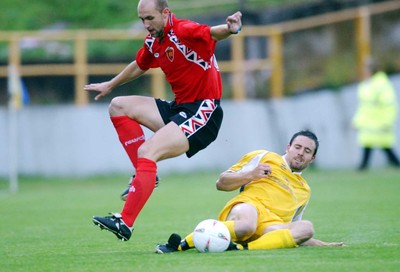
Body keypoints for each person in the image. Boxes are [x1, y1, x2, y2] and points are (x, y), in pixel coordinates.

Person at [84, 0, 242, 241]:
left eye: (150, 18)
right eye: (142, 20)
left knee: (147, 151)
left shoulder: (183, 30)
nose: (146, 25)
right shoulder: (155, 40)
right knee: (118, 106)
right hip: (179, 108)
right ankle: (144, 174)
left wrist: (230, 28)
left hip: (204, 111)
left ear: (165, 13)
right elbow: (140, 64)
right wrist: (110, 84)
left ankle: (125, 222)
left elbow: (212, 33)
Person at [155, 130, 344, 253]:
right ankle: (182, 245)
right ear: (288, 147)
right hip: (249, 207)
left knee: (307, 228)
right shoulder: (264, 157)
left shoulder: (305, 190)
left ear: (312, 158)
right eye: (297, 147)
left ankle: (241, 248)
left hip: (271, 226)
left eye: (307, 151)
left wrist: (323, 244)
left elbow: (292, 231)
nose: (301, 153)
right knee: (247, 225)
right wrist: (251, 174)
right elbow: (221, 183)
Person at [352, 60, 400, 170]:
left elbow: (389, 105)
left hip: (380, 122)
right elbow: (363, 107)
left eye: (365, 68)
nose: (363, 71)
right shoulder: (365, 84)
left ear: (371, 70)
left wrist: (387, 121)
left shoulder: (382, 84)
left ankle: (363, 167)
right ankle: (363, 167)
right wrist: (357, 121)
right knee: (368, 144)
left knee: (385, 146)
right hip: (369, 122)